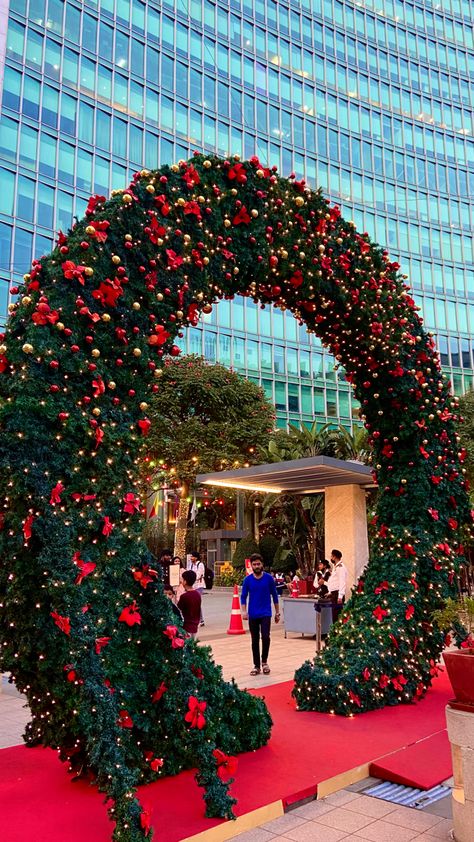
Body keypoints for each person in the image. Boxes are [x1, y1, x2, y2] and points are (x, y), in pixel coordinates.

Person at [240, 553, 280, 676]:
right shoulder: (247, 580)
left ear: (262, 564)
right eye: (254, 564)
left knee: (266, 637)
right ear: (251, 566)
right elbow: (243, 596)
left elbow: (274, 596)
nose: (257, 566)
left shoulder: (268, 579)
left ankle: (264, 662)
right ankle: (256, 665)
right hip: (253, 614)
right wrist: (244, 611)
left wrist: (277, 612)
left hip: (266, 613)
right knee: (254, 640)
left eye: (258, 564)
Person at [177, 570, 201, 639]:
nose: (181, 581)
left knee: (187, 645)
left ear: (185, 581)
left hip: (187, 626)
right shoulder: (197, 594)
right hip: (196, 625)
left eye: (182, 579)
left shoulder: (184, 596)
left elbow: (179, 608)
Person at [327, 549, 348, 623]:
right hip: (334, 593)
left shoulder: (341, 567)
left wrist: (340, 596)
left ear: (335, 557)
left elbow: (342, 582)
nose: (331, 558)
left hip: (337, 594)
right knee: (334, 616)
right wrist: (330, 592)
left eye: (331, 556)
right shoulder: (335, 567)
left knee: (337, 616)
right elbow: (333, 581)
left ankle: (338, 633)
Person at [187, 550, 206, 626]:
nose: (191, 558)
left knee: (196, 603)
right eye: (191, 556)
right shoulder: (190, 565)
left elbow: (198, 575)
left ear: (196, 557)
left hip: (199, 586)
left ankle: (200, 620)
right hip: (192, 586)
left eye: (192, 556)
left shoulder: (200, 565)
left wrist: (190, 579)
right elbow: (188, 573)